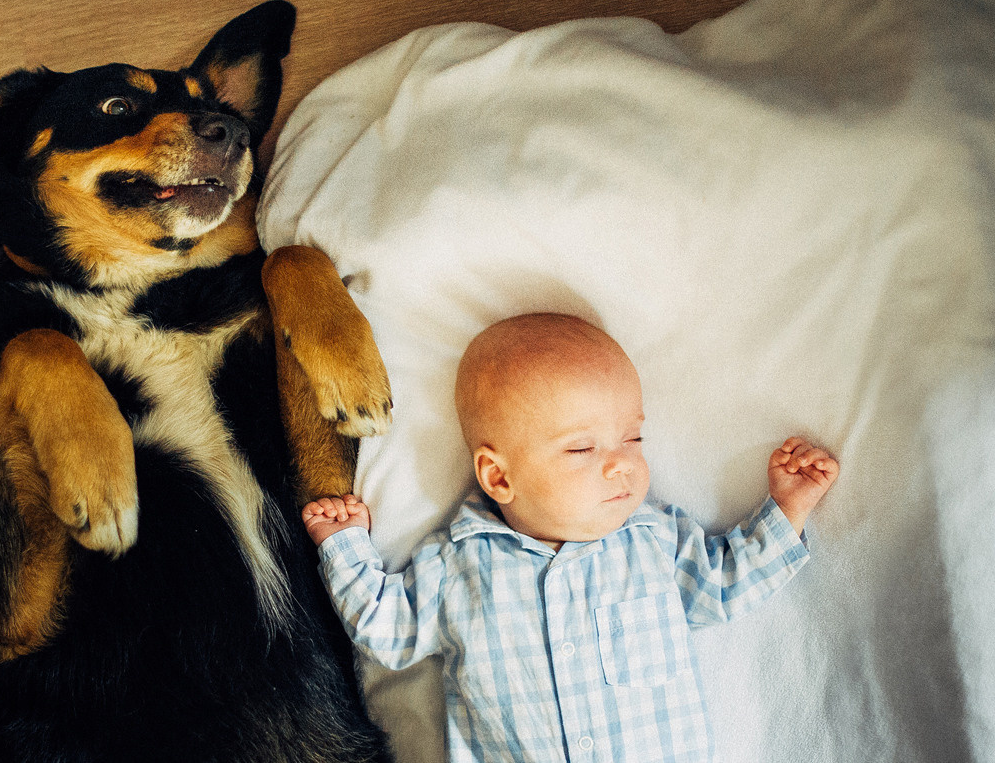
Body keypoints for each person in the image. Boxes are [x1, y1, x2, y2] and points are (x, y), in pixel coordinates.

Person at [302, 312, 839, 763]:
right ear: (499, 477)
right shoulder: (459, 562)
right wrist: (344, 544)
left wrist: (788, 506)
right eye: (583, 449)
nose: (621, 466)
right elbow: (389, 631)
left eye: (633, 438)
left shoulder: (653, 541)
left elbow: (725, 582)